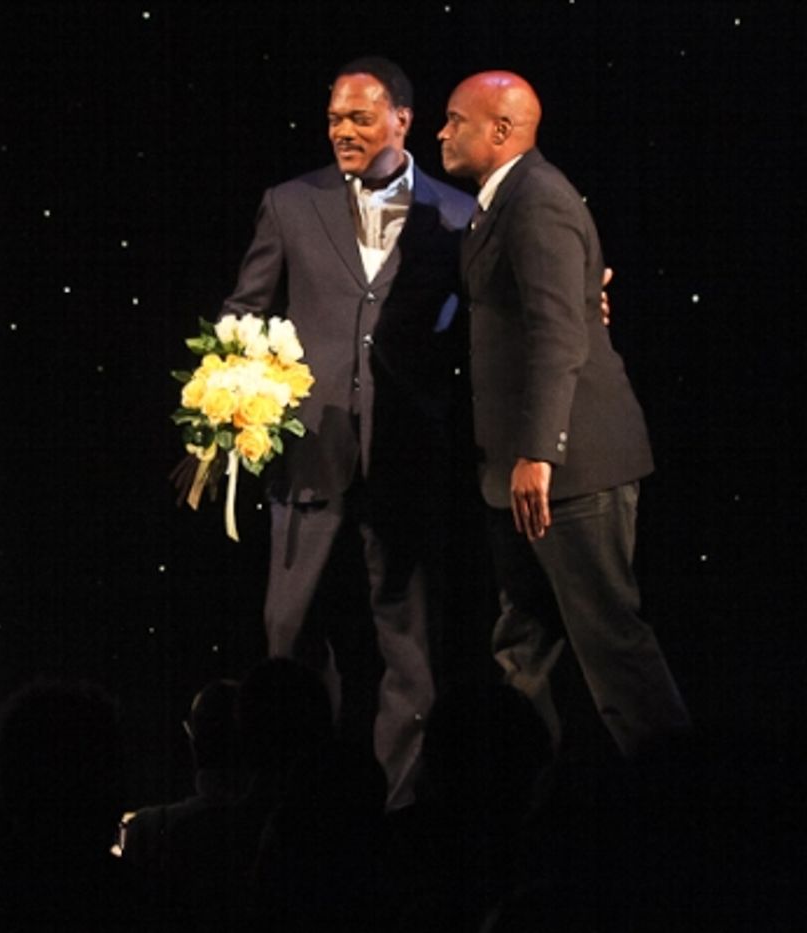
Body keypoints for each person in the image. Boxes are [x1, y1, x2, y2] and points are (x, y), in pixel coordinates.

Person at [220, 57, 473, 811]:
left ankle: (402, 810)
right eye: (334, 118)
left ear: (402, 120)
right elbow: (246, 311)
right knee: (289, 637)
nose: (342, 131)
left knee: (410, 648)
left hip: (408, 457)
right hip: (309, 453)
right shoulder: (291, 204)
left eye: (360, 118)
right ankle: (288, 799)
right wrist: (235, 393)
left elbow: (488, 323)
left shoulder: (459, 215)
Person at [437, 71, 690, 759]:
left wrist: (540, 450)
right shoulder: (499, 204)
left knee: (612, 646)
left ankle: (686, 810)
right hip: (521, 472)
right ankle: (517, 816)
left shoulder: (537, 199)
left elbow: (559, 334)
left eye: (455, 119)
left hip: (568, 469)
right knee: (524, 646)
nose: (442, 131)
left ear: (500, 129)